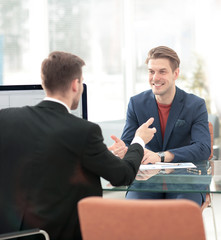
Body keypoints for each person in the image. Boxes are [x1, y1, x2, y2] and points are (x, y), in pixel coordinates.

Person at [0, 51, 157, 240]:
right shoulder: (83, 131)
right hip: (57, 234)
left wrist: (98, 155)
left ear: (44, 83)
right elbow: (122, 175)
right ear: (76, 84)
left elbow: (41, 159)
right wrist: (138, 140)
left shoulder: (5, 118)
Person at [110, 46, 211, 206]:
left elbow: (204, 148)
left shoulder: (195, 105)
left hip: (186, 183)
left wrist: (162, 156)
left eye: (162, 72)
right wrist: (124, 149)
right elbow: (129, 143)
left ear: (176, 73)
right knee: (135, 212)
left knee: (180, 215)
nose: (155, 78)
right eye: (151, 71)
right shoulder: (136, 104)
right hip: (145, 181)